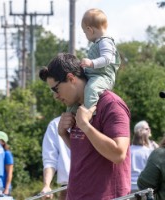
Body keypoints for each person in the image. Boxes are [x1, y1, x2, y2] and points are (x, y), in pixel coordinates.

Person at [39, 53, 131, 200]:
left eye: (56, 89)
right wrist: (64, 135)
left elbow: (118, 154)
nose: (55, 96)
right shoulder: (77, 109)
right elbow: (86, 153)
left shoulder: (111, 105)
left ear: (71, 78)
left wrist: (86, 126)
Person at [67, 9, 121, 116]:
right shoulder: (98, 42)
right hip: (93, 75)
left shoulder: (106, 41)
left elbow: (107, 59)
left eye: (85, 32)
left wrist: (91, 63)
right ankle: (72, 114)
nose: (85, 35)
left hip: (103, 77)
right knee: (77, 90)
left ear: (90, 30)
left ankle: (91, 115)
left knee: (91, 89)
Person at [41, 116, 70, 200]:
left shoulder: (98, 118)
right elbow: (50, 159)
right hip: (68, 190)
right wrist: (46, 185)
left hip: (97, 188)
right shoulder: (55, 124)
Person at [130, 128, 152, 193]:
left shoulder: (128, 150)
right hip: (143, 186)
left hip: (129, 185)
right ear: (145, 139)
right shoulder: (148, 152)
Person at [0, 131, 14, 195]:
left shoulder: (7, 154)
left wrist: (7, 188)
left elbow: (9, 173)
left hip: (4, 188)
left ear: (3, 142)